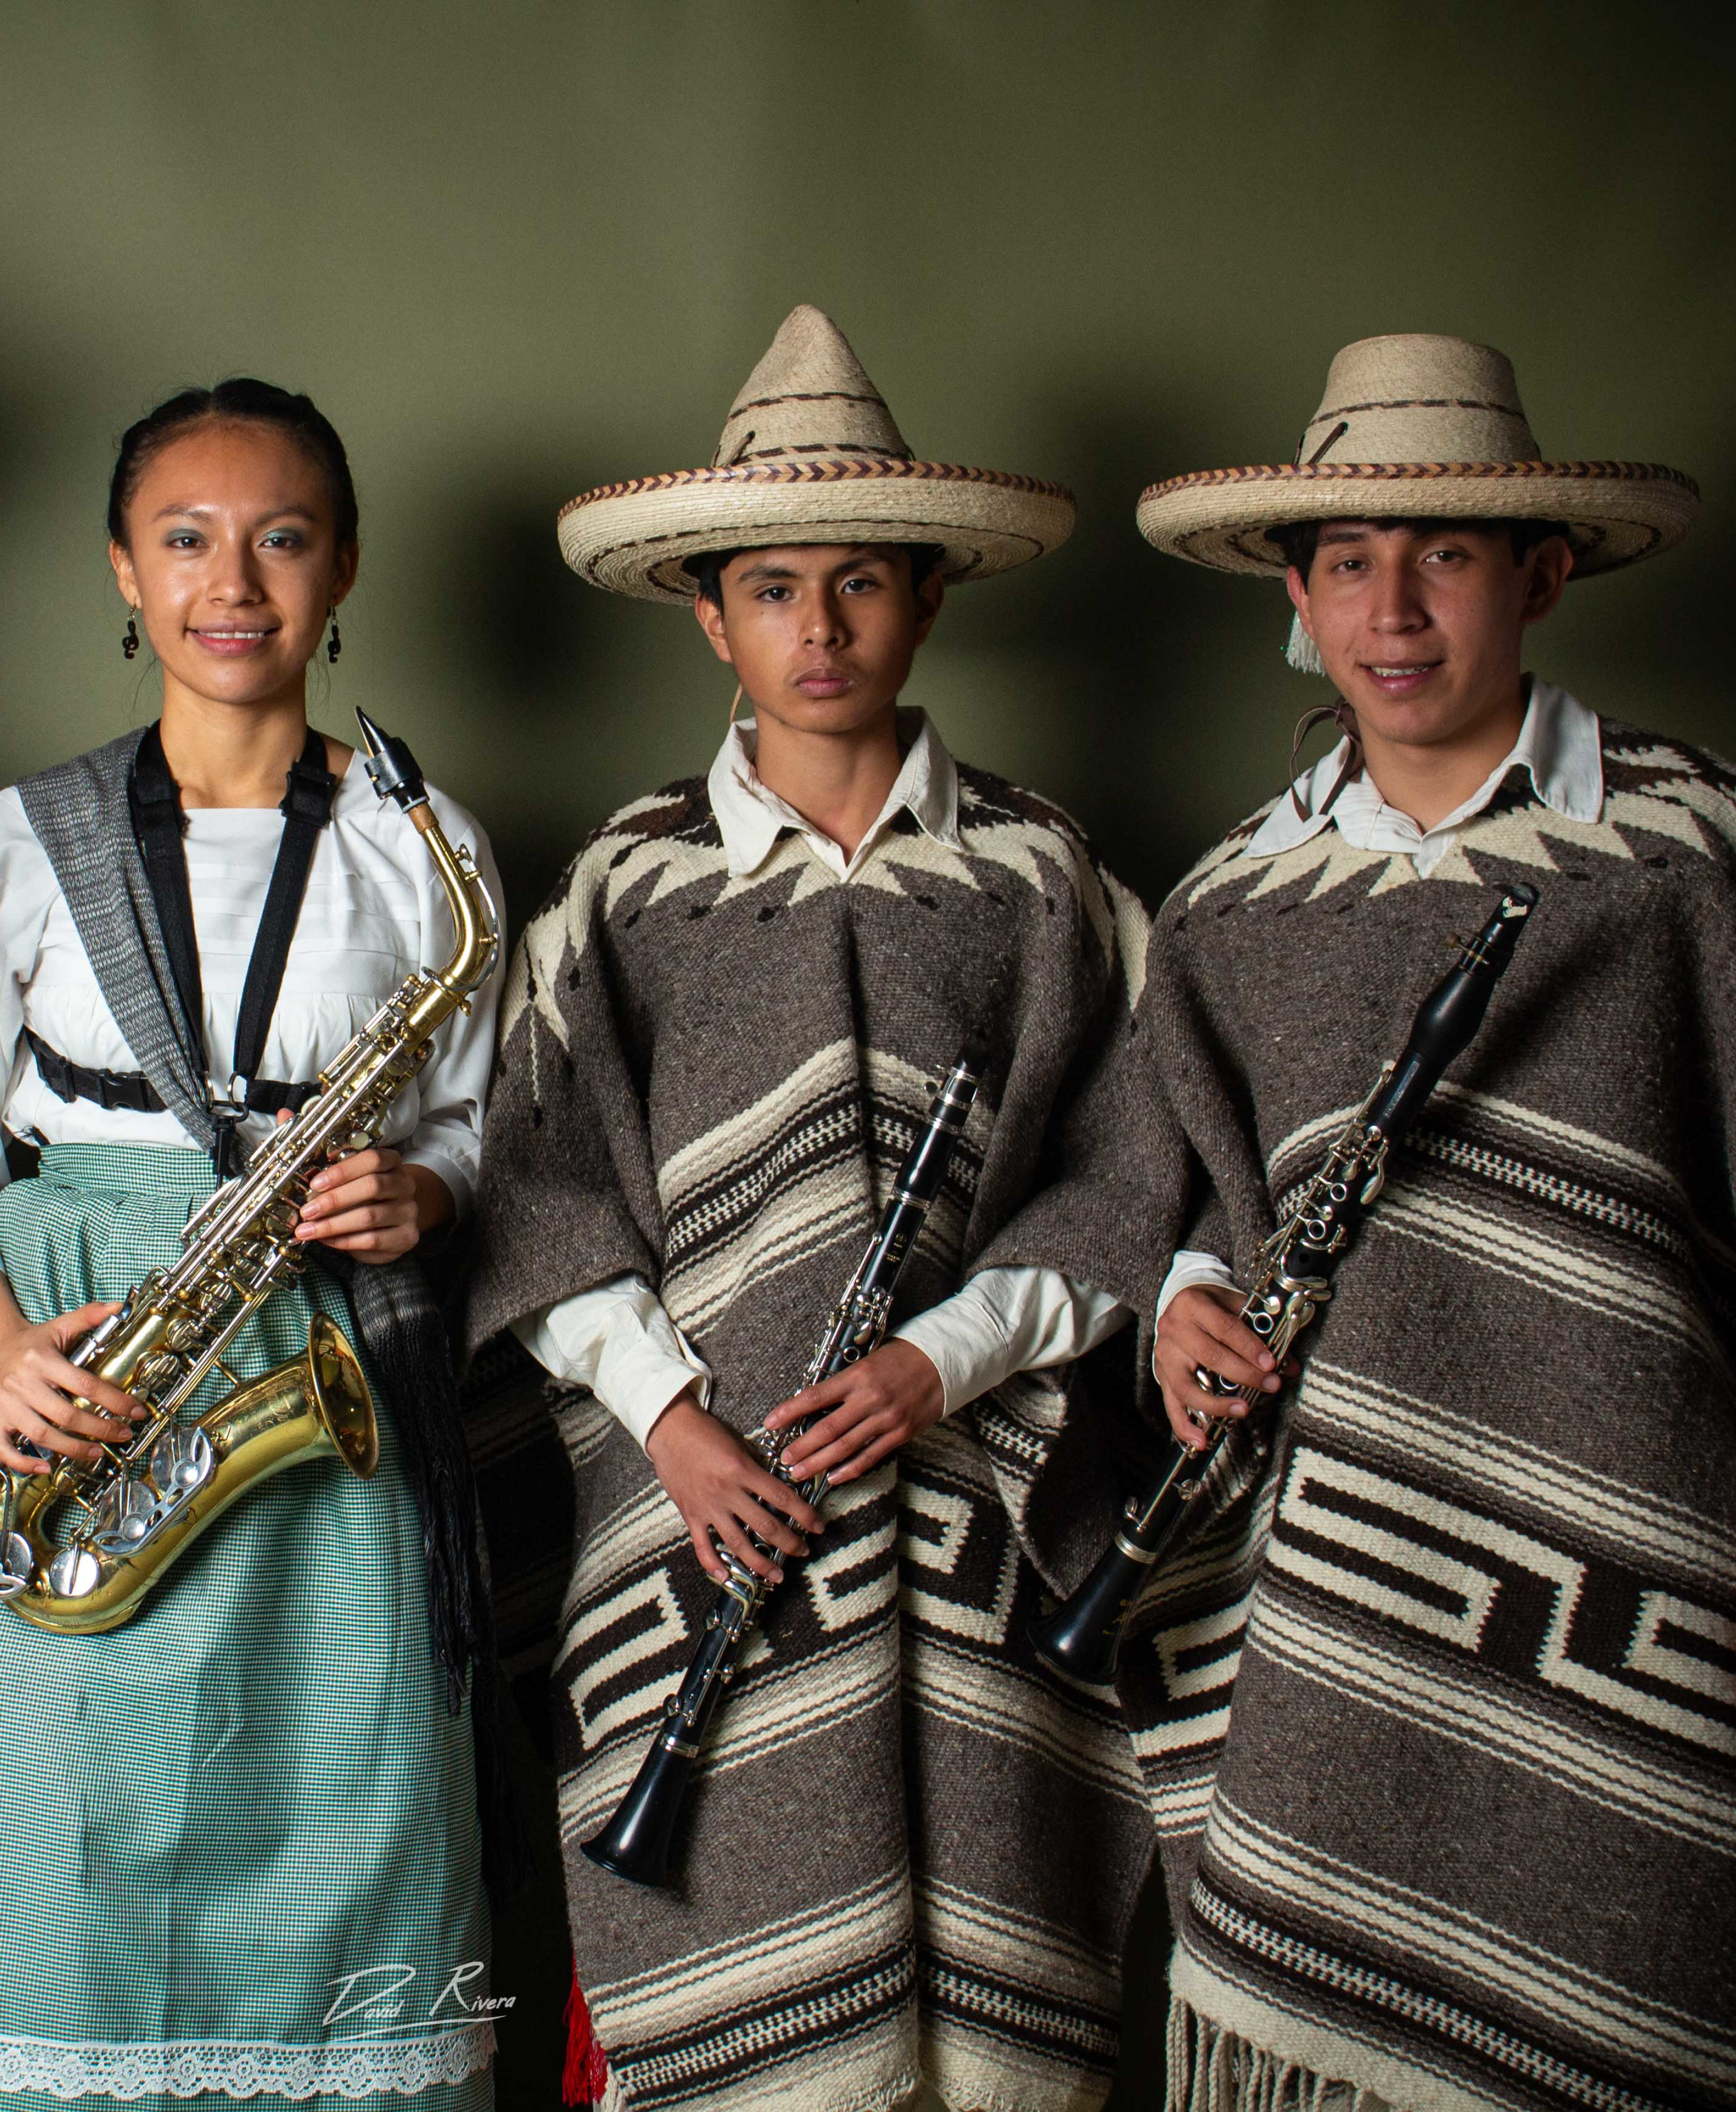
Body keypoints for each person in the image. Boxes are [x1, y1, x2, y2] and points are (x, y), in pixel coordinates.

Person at [987, 333, 1720, 2112]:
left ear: (1542, 574)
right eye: (1347, 562)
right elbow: (1184, 1189)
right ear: (1296, 594)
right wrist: (1182, 1304)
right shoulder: (1235, 899)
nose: (1392, 610)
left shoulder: (1688, 852)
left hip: (1642, 1543)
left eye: (1446, 554)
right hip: (1332, 1581)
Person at [468, 306, 1155, 2112]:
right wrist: (675, 1427)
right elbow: (539, 1197)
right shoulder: (623, 892)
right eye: (773, 589)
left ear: (929, 599)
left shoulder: (1041, 876)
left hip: (983, 1515)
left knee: (992, 1989)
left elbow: (1134, 1171)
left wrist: (945, 1358)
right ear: (712, 618)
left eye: (861, 583)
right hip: (708, 1517)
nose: (821, 627)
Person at [0, 379, 508, 2110]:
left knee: (358, 1876)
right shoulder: (15, 844)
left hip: (332, 1392)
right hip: (72, 1392)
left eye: (281, 539)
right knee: (46, 1894)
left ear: (344, 568)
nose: (234, 584)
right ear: (123, 570)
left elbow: (469, 1123)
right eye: (186, 539)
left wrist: (427, 1196)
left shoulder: (428, 847)